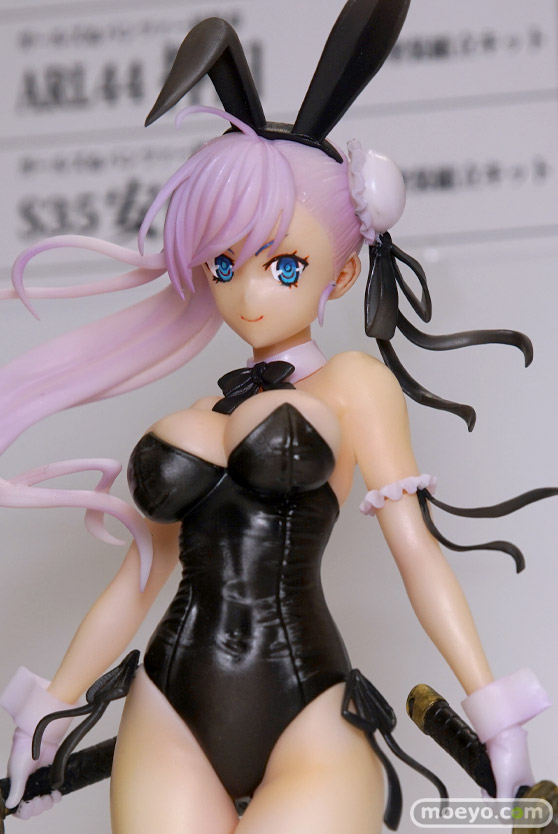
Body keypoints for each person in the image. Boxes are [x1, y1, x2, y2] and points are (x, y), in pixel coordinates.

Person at [0, 3, 551, 832]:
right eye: (225, 265)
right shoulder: (195, 409)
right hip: (165, 709)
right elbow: (139, 578)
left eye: (284, 265)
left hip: (308, 708)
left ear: (341, 274)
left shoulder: (354, 386)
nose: (248, 293)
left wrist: (494, 713)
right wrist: (47, 713)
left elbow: (416, 553)